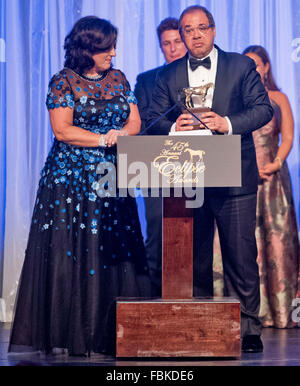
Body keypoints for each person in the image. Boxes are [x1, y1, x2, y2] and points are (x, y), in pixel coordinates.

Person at [9, 16, 150, 357]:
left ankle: (115, 332)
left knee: (114, 251)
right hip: (70, 180)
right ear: (87, 49)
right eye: (106, 48)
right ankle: (71, 332)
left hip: (112, 175)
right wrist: (104, 137)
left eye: (113, 47)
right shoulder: (63, 82)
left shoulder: (118, 78)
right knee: (75, 251)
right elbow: (62, 130)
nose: (113, 53)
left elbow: (134, 120)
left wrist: (123, 133)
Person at [146, 5, 273, 353]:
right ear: (183, 35)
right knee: (195, 256)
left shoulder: (240, 65)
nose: (196, 35)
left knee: (241, 255)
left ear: (214, 31)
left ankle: (249, 328)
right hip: (188, 178)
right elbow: (152, 117)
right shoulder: (170, 74)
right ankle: (198, 323)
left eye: (202, 28)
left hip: (234, 176)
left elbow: (264, 109)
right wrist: (174, 126)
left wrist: (226, 123)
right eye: (189, 29)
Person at [242, 45, 300, 328]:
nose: (252, 70)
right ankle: (251, 313)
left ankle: (280, 313)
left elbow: (288, 136)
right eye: (246, 65)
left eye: (256, 64)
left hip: (273, 177)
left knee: (277, 242)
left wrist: (276, 163)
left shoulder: (278, 98)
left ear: (266, 67)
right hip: (243, 177)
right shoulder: (237, 98)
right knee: (245, 243)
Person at [134, 18, 187, 296]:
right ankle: (153, 298)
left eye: (177, 42)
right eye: (166, 44)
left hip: (200, 166)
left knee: (195, 235)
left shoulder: (204, 76)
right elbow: (142, 125)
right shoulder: (146, 80)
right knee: (156, 233)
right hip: (157, 166)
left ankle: (195, 298)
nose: (173, 49)